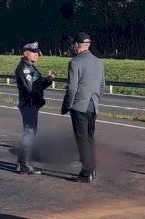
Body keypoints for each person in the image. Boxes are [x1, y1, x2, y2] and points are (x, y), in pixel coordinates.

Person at [61, 32, 105, 183]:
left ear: (76, 45)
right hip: (93, 104)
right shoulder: (98, 62)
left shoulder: (75, 62)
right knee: (90, 138)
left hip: (80, 105)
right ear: (89, 44)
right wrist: (96, 100)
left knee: (82, 139)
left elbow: (72, 88)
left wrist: (68, 104)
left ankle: (86, 172)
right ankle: (92, 169)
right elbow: (102, 86)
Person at [14, 42, 55, 175]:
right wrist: (39, 97)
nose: (36, 54)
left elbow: (37, 86)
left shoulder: (31, 68)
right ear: (26, 53)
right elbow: (31, 89)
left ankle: (22, 163)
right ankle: (24, 164)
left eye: (37, 52)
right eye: (33, 52)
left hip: (31, 104)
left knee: (29, 132)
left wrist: (48, 80)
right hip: (29, 104)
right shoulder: (25, 69)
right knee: (29, 133)